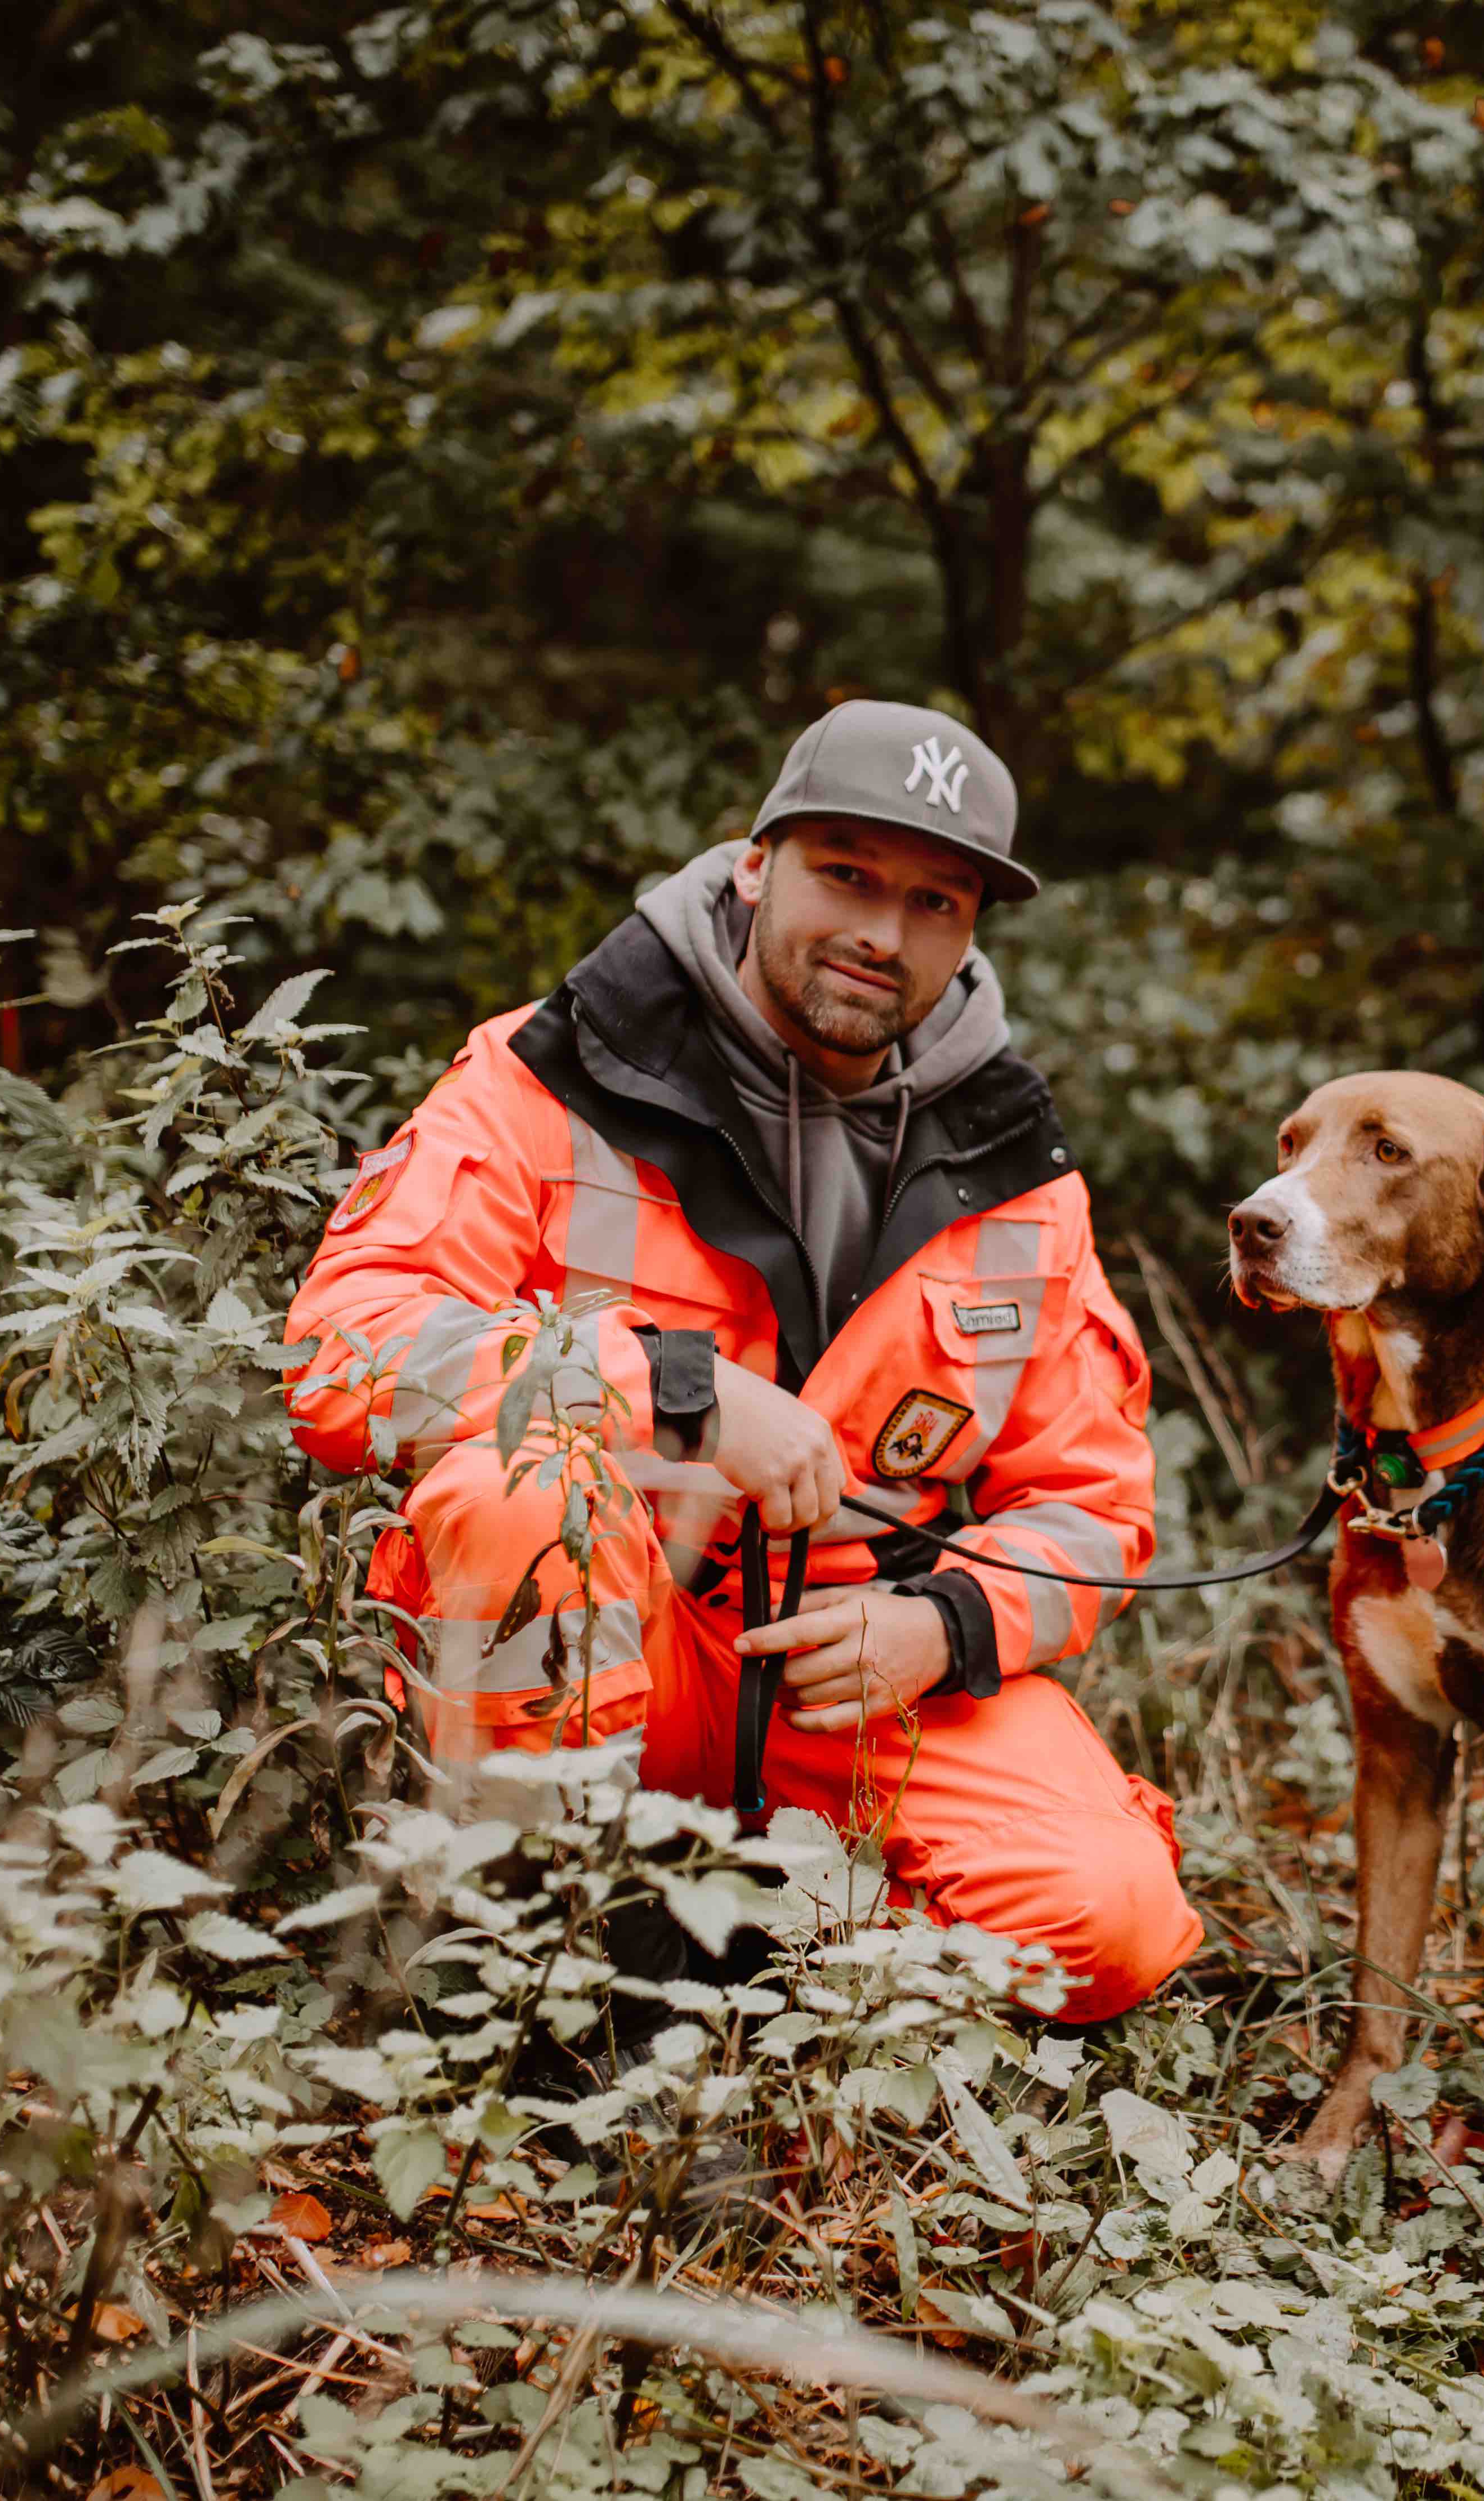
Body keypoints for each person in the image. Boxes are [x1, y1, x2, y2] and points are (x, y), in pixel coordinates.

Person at [285, 700, 1197, 2017]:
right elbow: (337, 1352)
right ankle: (536, 1989)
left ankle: (760, 1975)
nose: (884, 935)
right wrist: (670, 1391)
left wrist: (939, 1625)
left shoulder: (1020, 1179)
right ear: (756, 860)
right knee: (523, 1493)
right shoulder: (550, 1072)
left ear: (972, 929)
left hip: (843, 1678)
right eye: (848, 874)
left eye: (935, 901)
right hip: (606, 1651)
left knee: (1106, 1922)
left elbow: (1095, 1515)